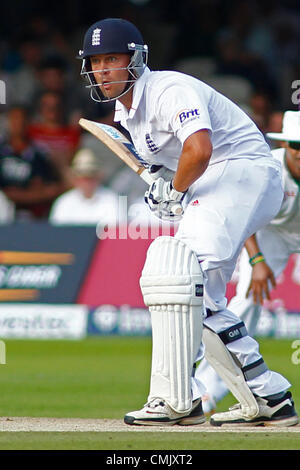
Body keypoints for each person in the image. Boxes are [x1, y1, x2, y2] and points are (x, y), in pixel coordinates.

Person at [78, 18, 298, 427]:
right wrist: (164, 188)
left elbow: (199, 149)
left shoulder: (168, 90)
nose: (103, 69)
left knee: (180, 277)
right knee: (198, 295)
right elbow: (176, 164)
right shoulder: (126, 114)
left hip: (242, 169)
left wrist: (176, 191)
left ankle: (178, 398)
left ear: (136, 60)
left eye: (112, 59)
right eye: (95, 62)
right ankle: (263, 397)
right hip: (220, 181)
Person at [195, 110, 300, 414]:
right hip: (268, 233)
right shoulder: (268, 168)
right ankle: (207, 394)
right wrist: (256, 260)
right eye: (296, 145)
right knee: (245, 304)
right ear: (286, 146)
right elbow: (245, 214)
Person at [0, 106, 66, 220]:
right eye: (14, 119)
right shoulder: (1, 152)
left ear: (28, 122)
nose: (18, 124)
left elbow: (49, 190)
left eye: (22, 119)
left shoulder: (39, 154)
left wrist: (18, 195)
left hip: (33, 216)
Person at [49, 148, 119, 226]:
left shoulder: (112, 199)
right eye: (83, 178)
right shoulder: (64, 202)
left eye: (91, 176)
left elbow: (116, 232)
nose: (87, 182)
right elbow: (56, 234)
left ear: (98, 177)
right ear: (75, 179)